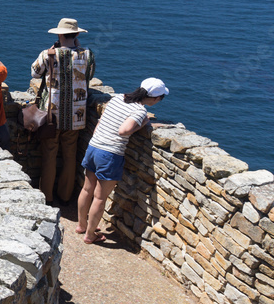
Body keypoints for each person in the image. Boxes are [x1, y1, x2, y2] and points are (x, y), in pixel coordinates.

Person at [77, 78, 169, 244]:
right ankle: (90, 235)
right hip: (110, 154)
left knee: (86, 189)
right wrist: (141, 125)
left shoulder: (118, 98)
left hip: (93, 146)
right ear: (155, 99)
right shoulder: (139, 111)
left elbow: (100, 122)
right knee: (99, 198)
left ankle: (82, 225)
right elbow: (124, 130)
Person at [30, 18, 95, 204]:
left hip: (52, 115)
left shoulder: (49, 54)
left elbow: (34, 73)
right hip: (76, 116)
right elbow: (89, 75)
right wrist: (79, 49)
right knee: (70, 155)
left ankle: (47, 197)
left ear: (59, 34)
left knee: (49, 155)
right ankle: (66, 195)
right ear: (76, 35)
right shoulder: (87, 54)